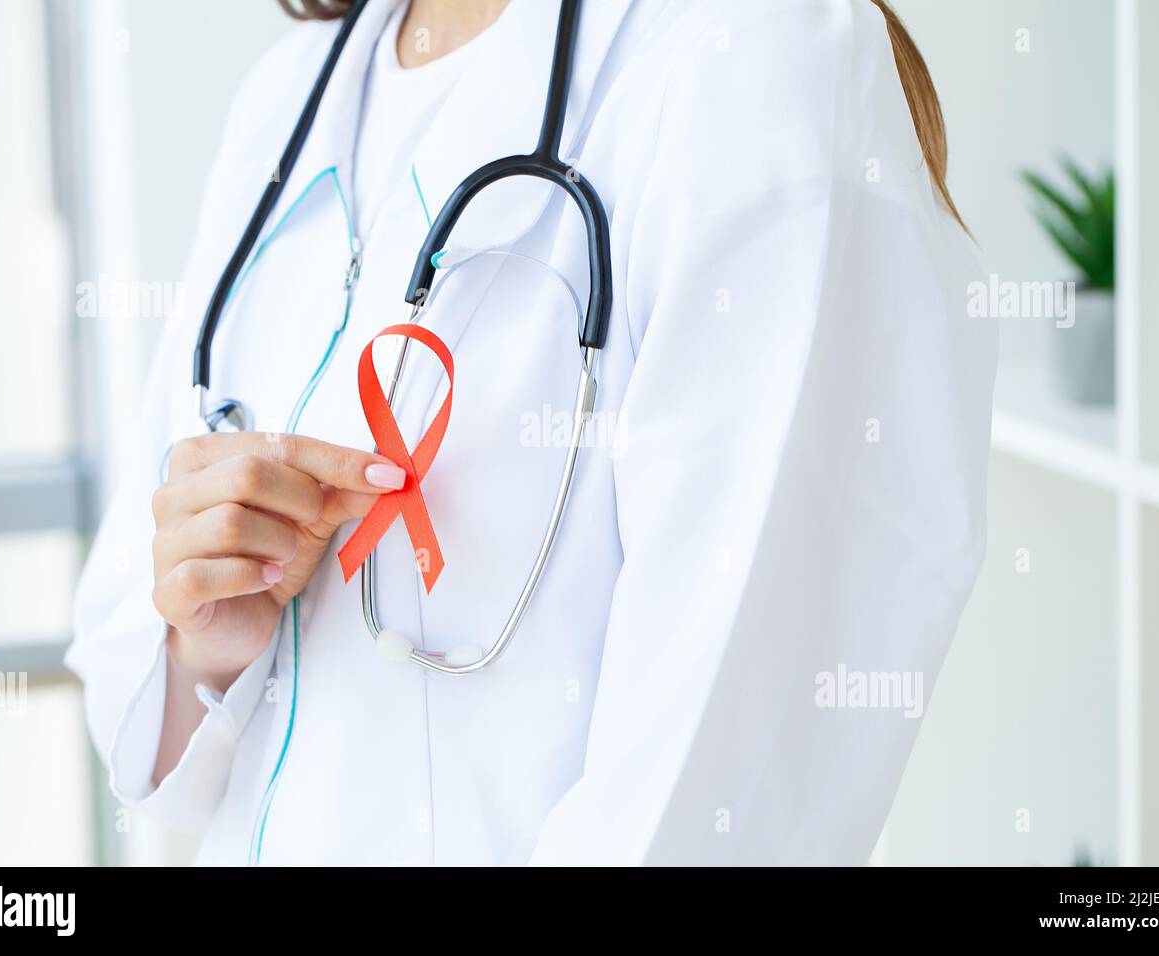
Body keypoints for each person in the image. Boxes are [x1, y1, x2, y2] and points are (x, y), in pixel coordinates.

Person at [68, 0, 997, 865]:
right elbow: (144, 731)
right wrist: (210, 646)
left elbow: (710, 804)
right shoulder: (289, 96)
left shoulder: (755, 60)